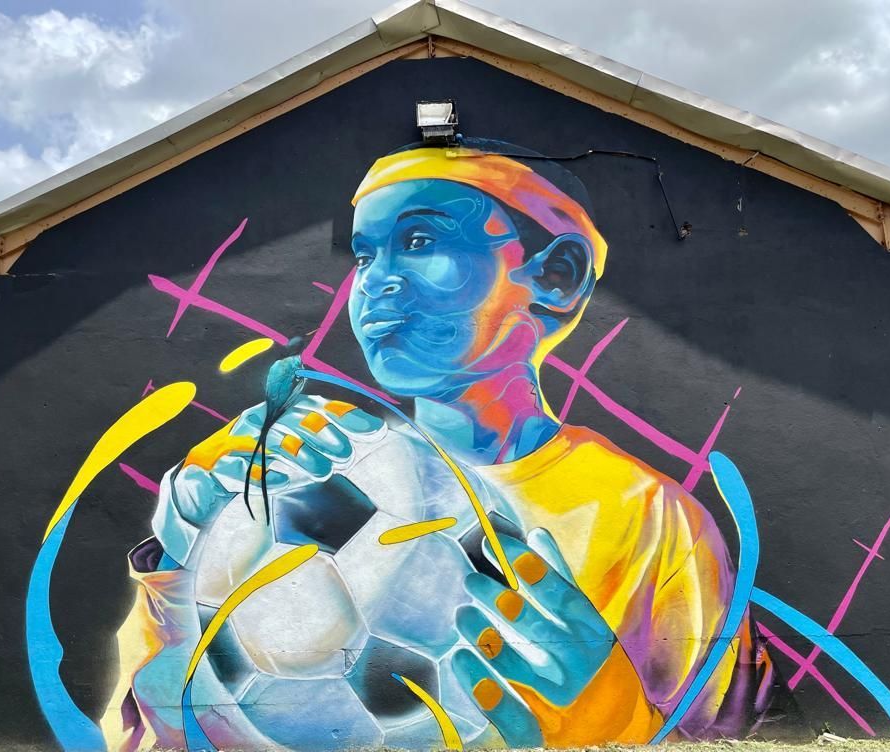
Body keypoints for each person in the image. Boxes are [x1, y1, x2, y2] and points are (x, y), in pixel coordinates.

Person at [103, 139, 775, 751]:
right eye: (364, 255)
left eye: (420, 240)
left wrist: (610, 716)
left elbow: (739, 740)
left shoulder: (648, 518)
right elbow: (141, 735)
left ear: (558, 276)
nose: (376, 281)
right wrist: (181, 561)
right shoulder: (284, 476)